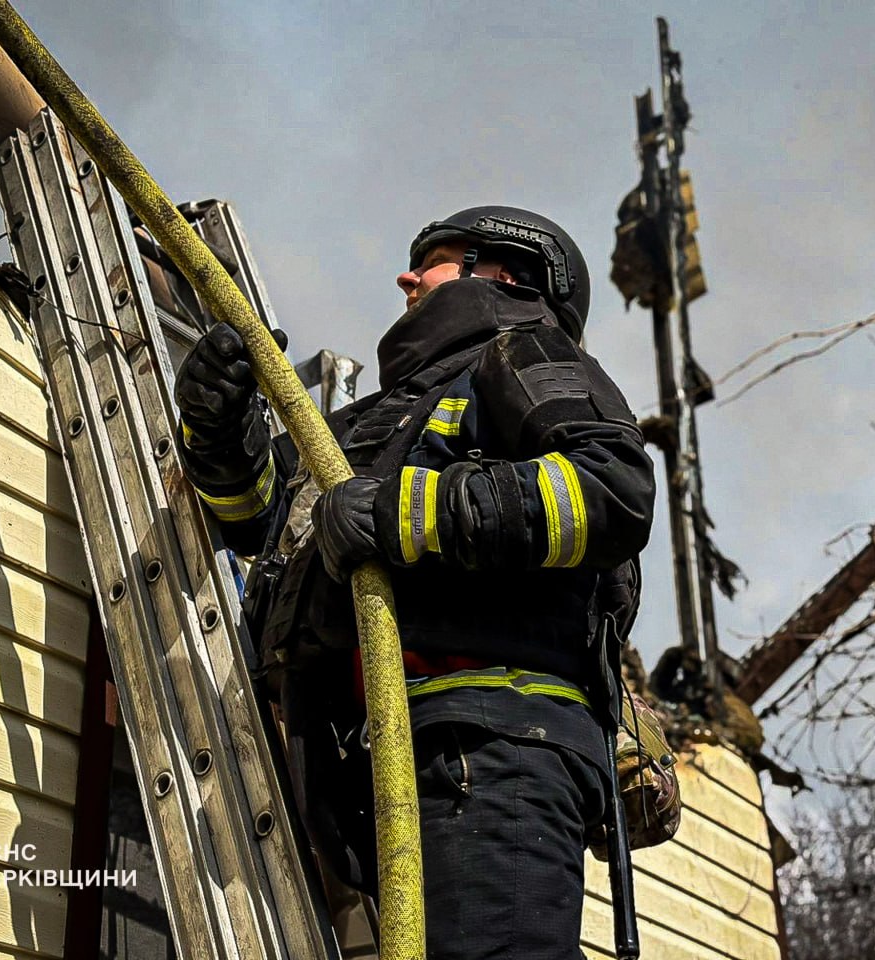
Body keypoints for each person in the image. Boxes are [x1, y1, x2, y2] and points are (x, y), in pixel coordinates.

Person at [174, 206, 656, 959]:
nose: (406, 276)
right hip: (363, 775)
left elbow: (610, 491)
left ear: (506, 274)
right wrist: (220, 431)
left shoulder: (523, 355)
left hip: (491, 749)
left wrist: (405, 511)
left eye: (434, 259)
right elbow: (271, 530)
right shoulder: (376, 421)